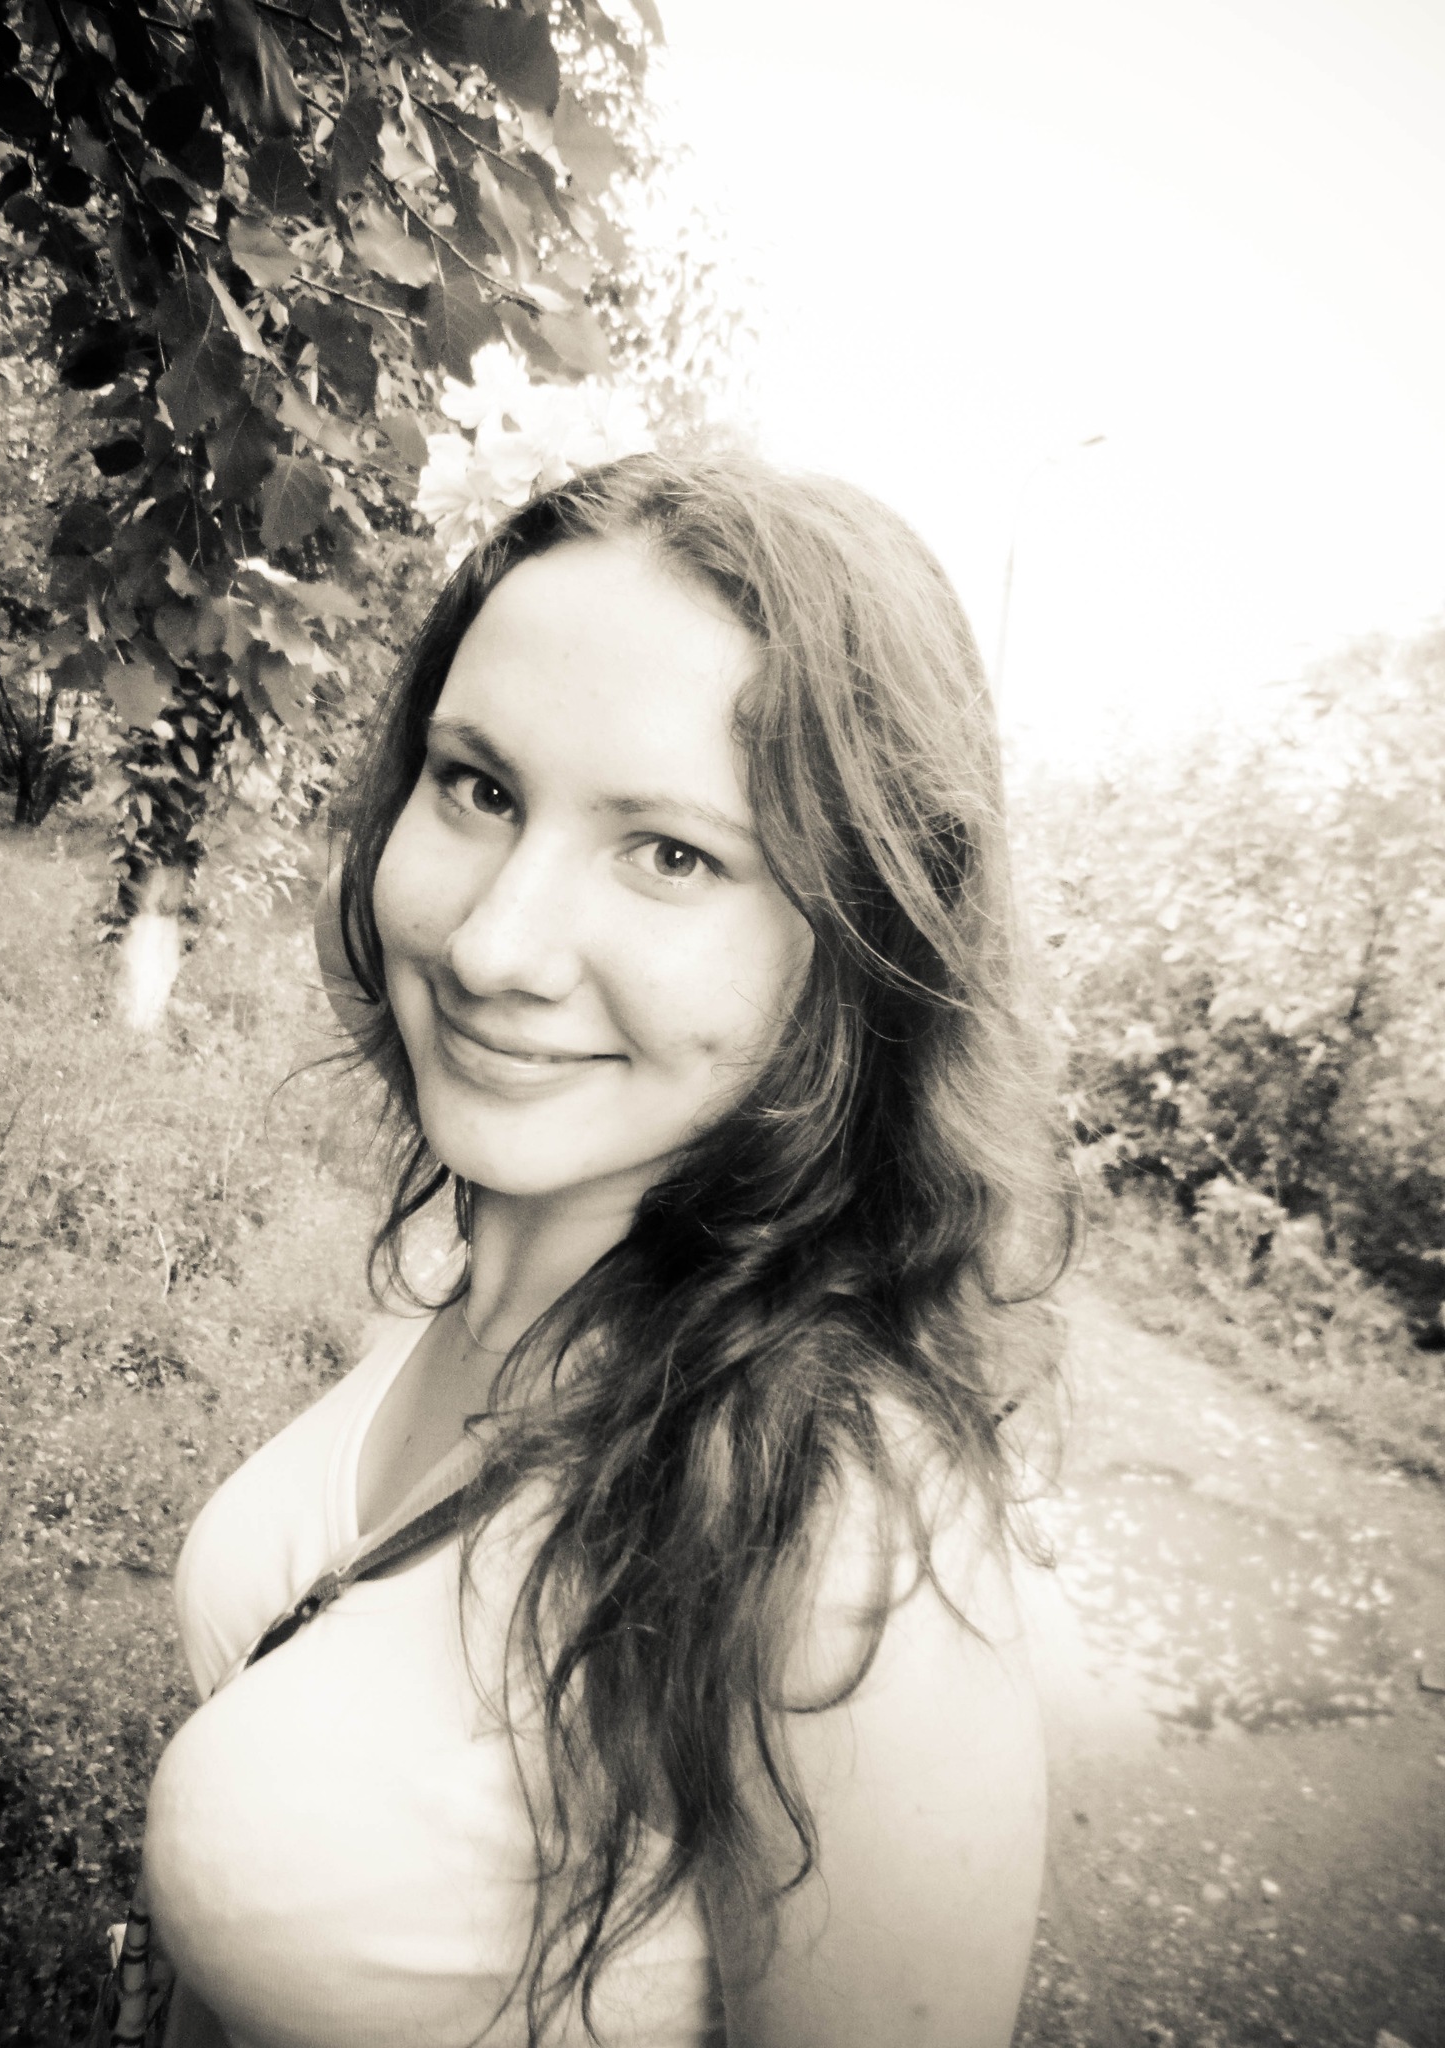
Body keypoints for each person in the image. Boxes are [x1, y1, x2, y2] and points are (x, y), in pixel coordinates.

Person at [137, 451, 1075, 2048]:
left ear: (865, 945)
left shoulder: (834, 1540)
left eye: (672, 854)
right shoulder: (458, 1277)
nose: (492, 943)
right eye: (478, 788)